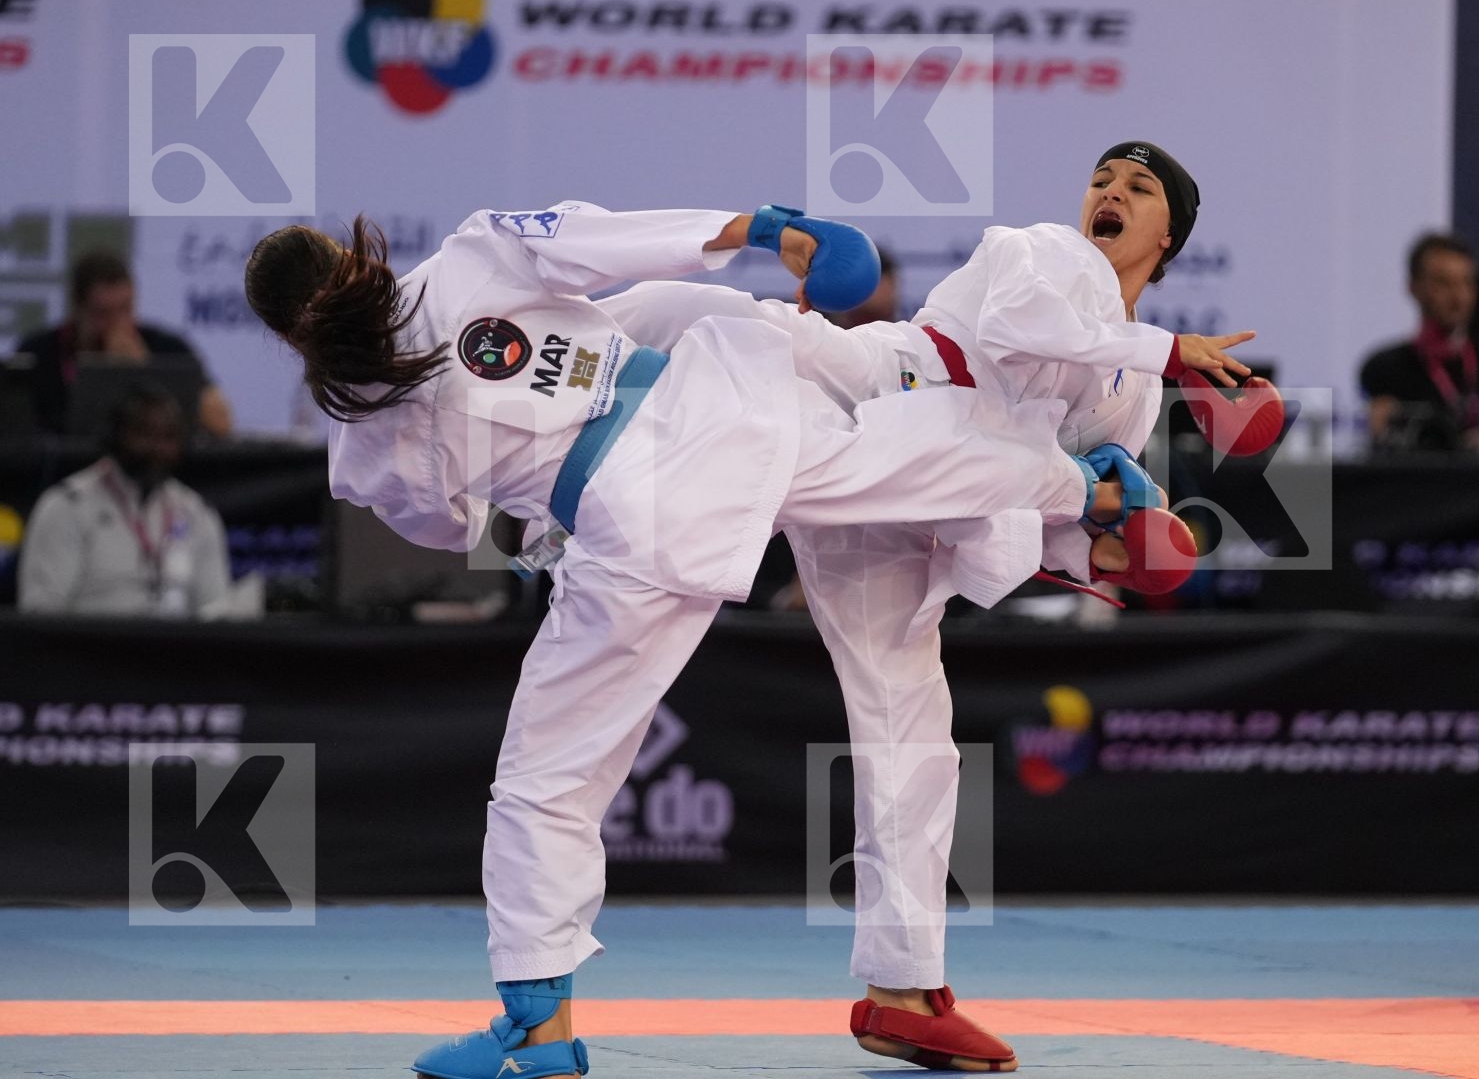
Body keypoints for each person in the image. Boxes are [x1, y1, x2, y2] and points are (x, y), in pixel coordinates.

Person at [241, 199, 1135, 1079]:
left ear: (288, 337)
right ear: (354, 256)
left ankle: (536, 1032)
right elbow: (624, 241)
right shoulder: (477, 250)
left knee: (546, 781)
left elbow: (445, 525)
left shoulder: (358, 432)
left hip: (637, 527)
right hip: (720, 410)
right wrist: (767, 226)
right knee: (888, 458)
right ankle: (1078, 493)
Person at [598, 141, 1246, 1070]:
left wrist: (1121, 550)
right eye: (1101, 178)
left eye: (1137, 189)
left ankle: (902, 990)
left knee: (913, 734)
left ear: (1167, 234)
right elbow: (1030, 323)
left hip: (924, 504)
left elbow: (1069, 503)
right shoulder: (1048, 256)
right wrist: (1170, 351)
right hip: (875, 389)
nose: (1109, 192)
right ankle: (492, 369)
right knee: (710, 320)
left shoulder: (1132, 391)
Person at [18, 385, 232, 616]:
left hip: (174, 648)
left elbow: (216, 611)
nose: (157, 448)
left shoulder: (196, 512)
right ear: (115, 436)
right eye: (145, 434)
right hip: (88, 647)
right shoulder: (67, 505)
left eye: (168, 437)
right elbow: (40, 612)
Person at [13, 252, 233, 437]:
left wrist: (144, 369)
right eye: (103, 313)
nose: (117, 324)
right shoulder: (37, 353)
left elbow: (220, 423)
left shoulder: (167, 348)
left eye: (125, 309)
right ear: (77, 308)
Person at [1358, 231, 1479, 453]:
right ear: (1414, 288)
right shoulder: (1385, 370)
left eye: (1467, 283)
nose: (1459, 297)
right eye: (1444, 283)